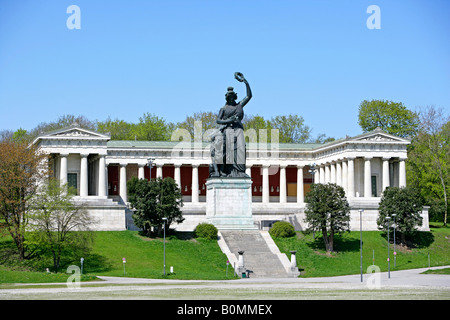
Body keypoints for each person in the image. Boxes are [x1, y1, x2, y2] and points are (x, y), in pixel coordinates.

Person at [209, 72, 252, 178]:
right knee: (229, 153)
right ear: (227, 98)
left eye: (233, 97)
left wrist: (245, 82)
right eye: (229, 97)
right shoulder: (223, 109)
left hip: (238, 129)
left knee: (241, 149)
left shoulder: (239, 105)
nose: (231, 99)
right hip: (228, 130)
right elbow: (218, 121)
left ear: (235, 97)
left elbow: (249, 96)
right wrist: (229, 121)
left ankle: (240, 172)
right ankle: (227, 172)